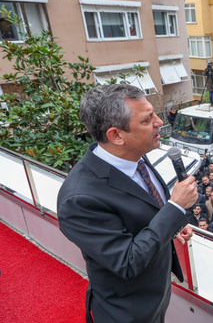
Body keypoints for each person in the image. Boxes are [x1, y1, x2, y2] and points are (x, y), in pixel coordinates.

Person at [57, 84, 198, 323]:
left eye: (154, 113)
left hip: (155, 296)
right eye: (146, 120)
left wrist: (172, 225)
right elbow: (127, 261)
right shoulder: (78, 199)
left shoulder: (135, 155)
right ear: (116, 135)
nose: (158, 122)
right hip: (126, 312)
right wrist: (174, 209)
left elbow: (143, 210)